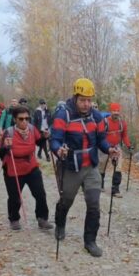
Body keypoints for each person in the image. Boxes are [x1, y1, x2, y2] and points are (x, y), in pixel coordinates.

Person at [50, 78, 120, 257]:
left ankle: (90, 241)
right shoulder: (63, 114)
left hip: (91, 167)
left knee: (94, 203)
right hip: (70, 166)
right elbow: (55, 140)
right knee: (66, 200)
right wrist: (60, 151)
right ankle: (60, 223)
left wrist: (109, 149)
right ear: (75, 97)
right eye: (82, 100)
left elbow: (101, 139)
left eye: (89, 100)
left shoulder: (96, 116)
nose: (86, 104)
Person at [0, 106, 54, 231]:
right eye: (21, 119)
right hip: (13, 168)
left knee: (40, 194)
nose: (24, 121)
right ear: (15, 119)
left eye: (27, 118)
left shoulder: (32, 129)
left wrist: (45, 137)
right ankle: (14, 219)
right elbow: (0, 153)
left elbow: (39, 142)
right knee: (15, 197)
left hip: (31, 166)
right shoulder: (9, 132)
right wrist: (5, 148)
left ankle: (42, 219)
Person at [98, 102, 132, 198]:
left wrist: (129, 146)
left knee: (118, 167)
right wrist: (106, 147)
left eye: (117, 111)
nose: (116, 113)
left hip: (116, 147)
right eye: (114, 110)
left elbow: (124, 136)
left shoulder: (122, 123)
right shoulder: (104, 122)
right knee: (101, 166)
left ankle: (115, 189)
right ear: (110, 111)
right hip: (104, 148)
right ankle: (100, 185)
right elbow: (100, 136)